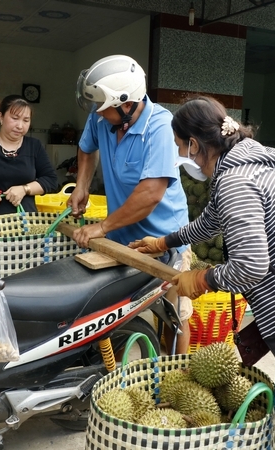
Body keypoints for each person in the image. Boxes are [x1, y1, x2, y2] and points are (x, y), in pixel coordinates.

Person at [129, 96, 275, 450]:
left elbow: (251, 265)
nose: (182, 157)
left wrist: (201, 280)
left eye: (181, 148)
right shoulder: (242, 166)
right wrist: (163, 242)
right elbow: (211, 221)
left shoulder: (236, 181)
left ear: (195, 143)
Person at [69, 54, 192, 354]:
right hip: (122, 241)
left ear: (126, 105)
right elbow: (86, 149)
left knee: (175, 318)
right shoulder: (101, 116)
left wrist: (102, 226)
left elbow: (150, 194)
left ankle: (177, 374)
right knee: (120, 315)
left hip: (166, 240)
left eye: (103, 107)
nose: (97, 113)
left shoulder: (161, 127)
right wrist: (82, 186)